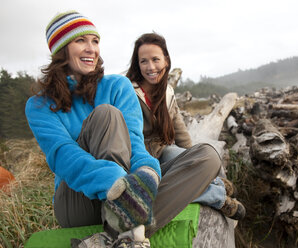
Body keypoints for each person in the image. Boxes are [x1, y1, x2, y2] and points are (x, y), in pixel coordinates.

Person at [25, 11, 221, 247]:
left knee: (207, 157)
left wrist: (147, 173)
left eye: (95, 41)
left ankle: (115, 234)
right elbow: (64, 156)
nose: (91, 49)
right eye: (81, 41)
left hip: (129, 185)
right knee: (107, 115)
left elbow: (135, 144)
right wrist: (119, 185)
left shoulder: (118, 86)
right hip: (77, 201)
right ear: (61, 49)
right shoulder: (39, 105)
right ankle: (129, 222)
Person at [126, 32, 246, 221]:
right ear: (137, 64)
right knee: (170, 185)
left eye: (155, 59)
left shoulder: (167, 91)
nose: (151, 67)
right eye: (144, 61)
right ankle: (218, 196)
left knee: (181, 155)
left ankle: (212, 181)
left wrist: (194, 157)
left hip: (162, 151)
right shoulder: (128, 92)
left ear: (166, 60)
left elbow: (179, 127)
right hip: (138, 161)